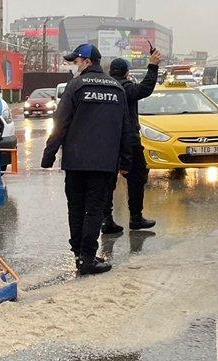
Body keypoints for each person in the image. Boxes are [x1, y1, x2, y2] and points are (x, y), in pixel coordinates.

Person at [40, 43, 131, 276]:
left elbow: (60, 123)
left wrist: (49, 155)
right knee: (94, 210)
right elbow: (125, 129)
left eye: (76, 61)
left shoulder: (76, 86)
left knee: (76, 208)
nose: (75, 66)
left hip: (76, 161)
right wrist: (126, 162)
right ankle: (88, 256)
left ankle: (80, 255)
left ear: (87, 62)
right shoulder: (117, 89)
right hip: (104, 163)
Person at [102, 53, 161, 234]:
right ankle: (135, 218)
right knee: (137, 179)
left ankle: (107, 220)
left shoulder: (105, 88)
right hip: (131, 142)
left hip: (107, 142)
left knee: (106, 183)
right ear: (127, 73)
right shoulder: (127, 88)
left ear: (110, 72)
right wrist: (152, 66)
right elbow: (146, 88)